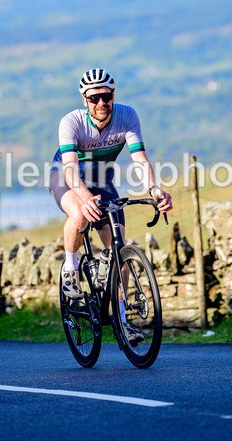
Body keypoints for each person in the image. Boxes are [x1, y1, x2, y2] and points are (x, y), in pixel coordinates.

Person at [48, 68, 173, 343]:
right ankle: (70, 267)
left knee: (119, 251)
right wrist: (83, 197)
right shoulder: (71, 122)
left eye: (106, 96)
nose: (101, 103)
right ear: (85, 99)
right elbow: (70, 169)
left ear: (113, 95)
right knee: (80, 213)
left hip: (101, 178)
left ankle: (122, 321)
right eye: (94, 98)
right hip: (67, 176)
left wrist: (154, 189)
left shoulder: (127, 116)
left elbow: (139, 158)